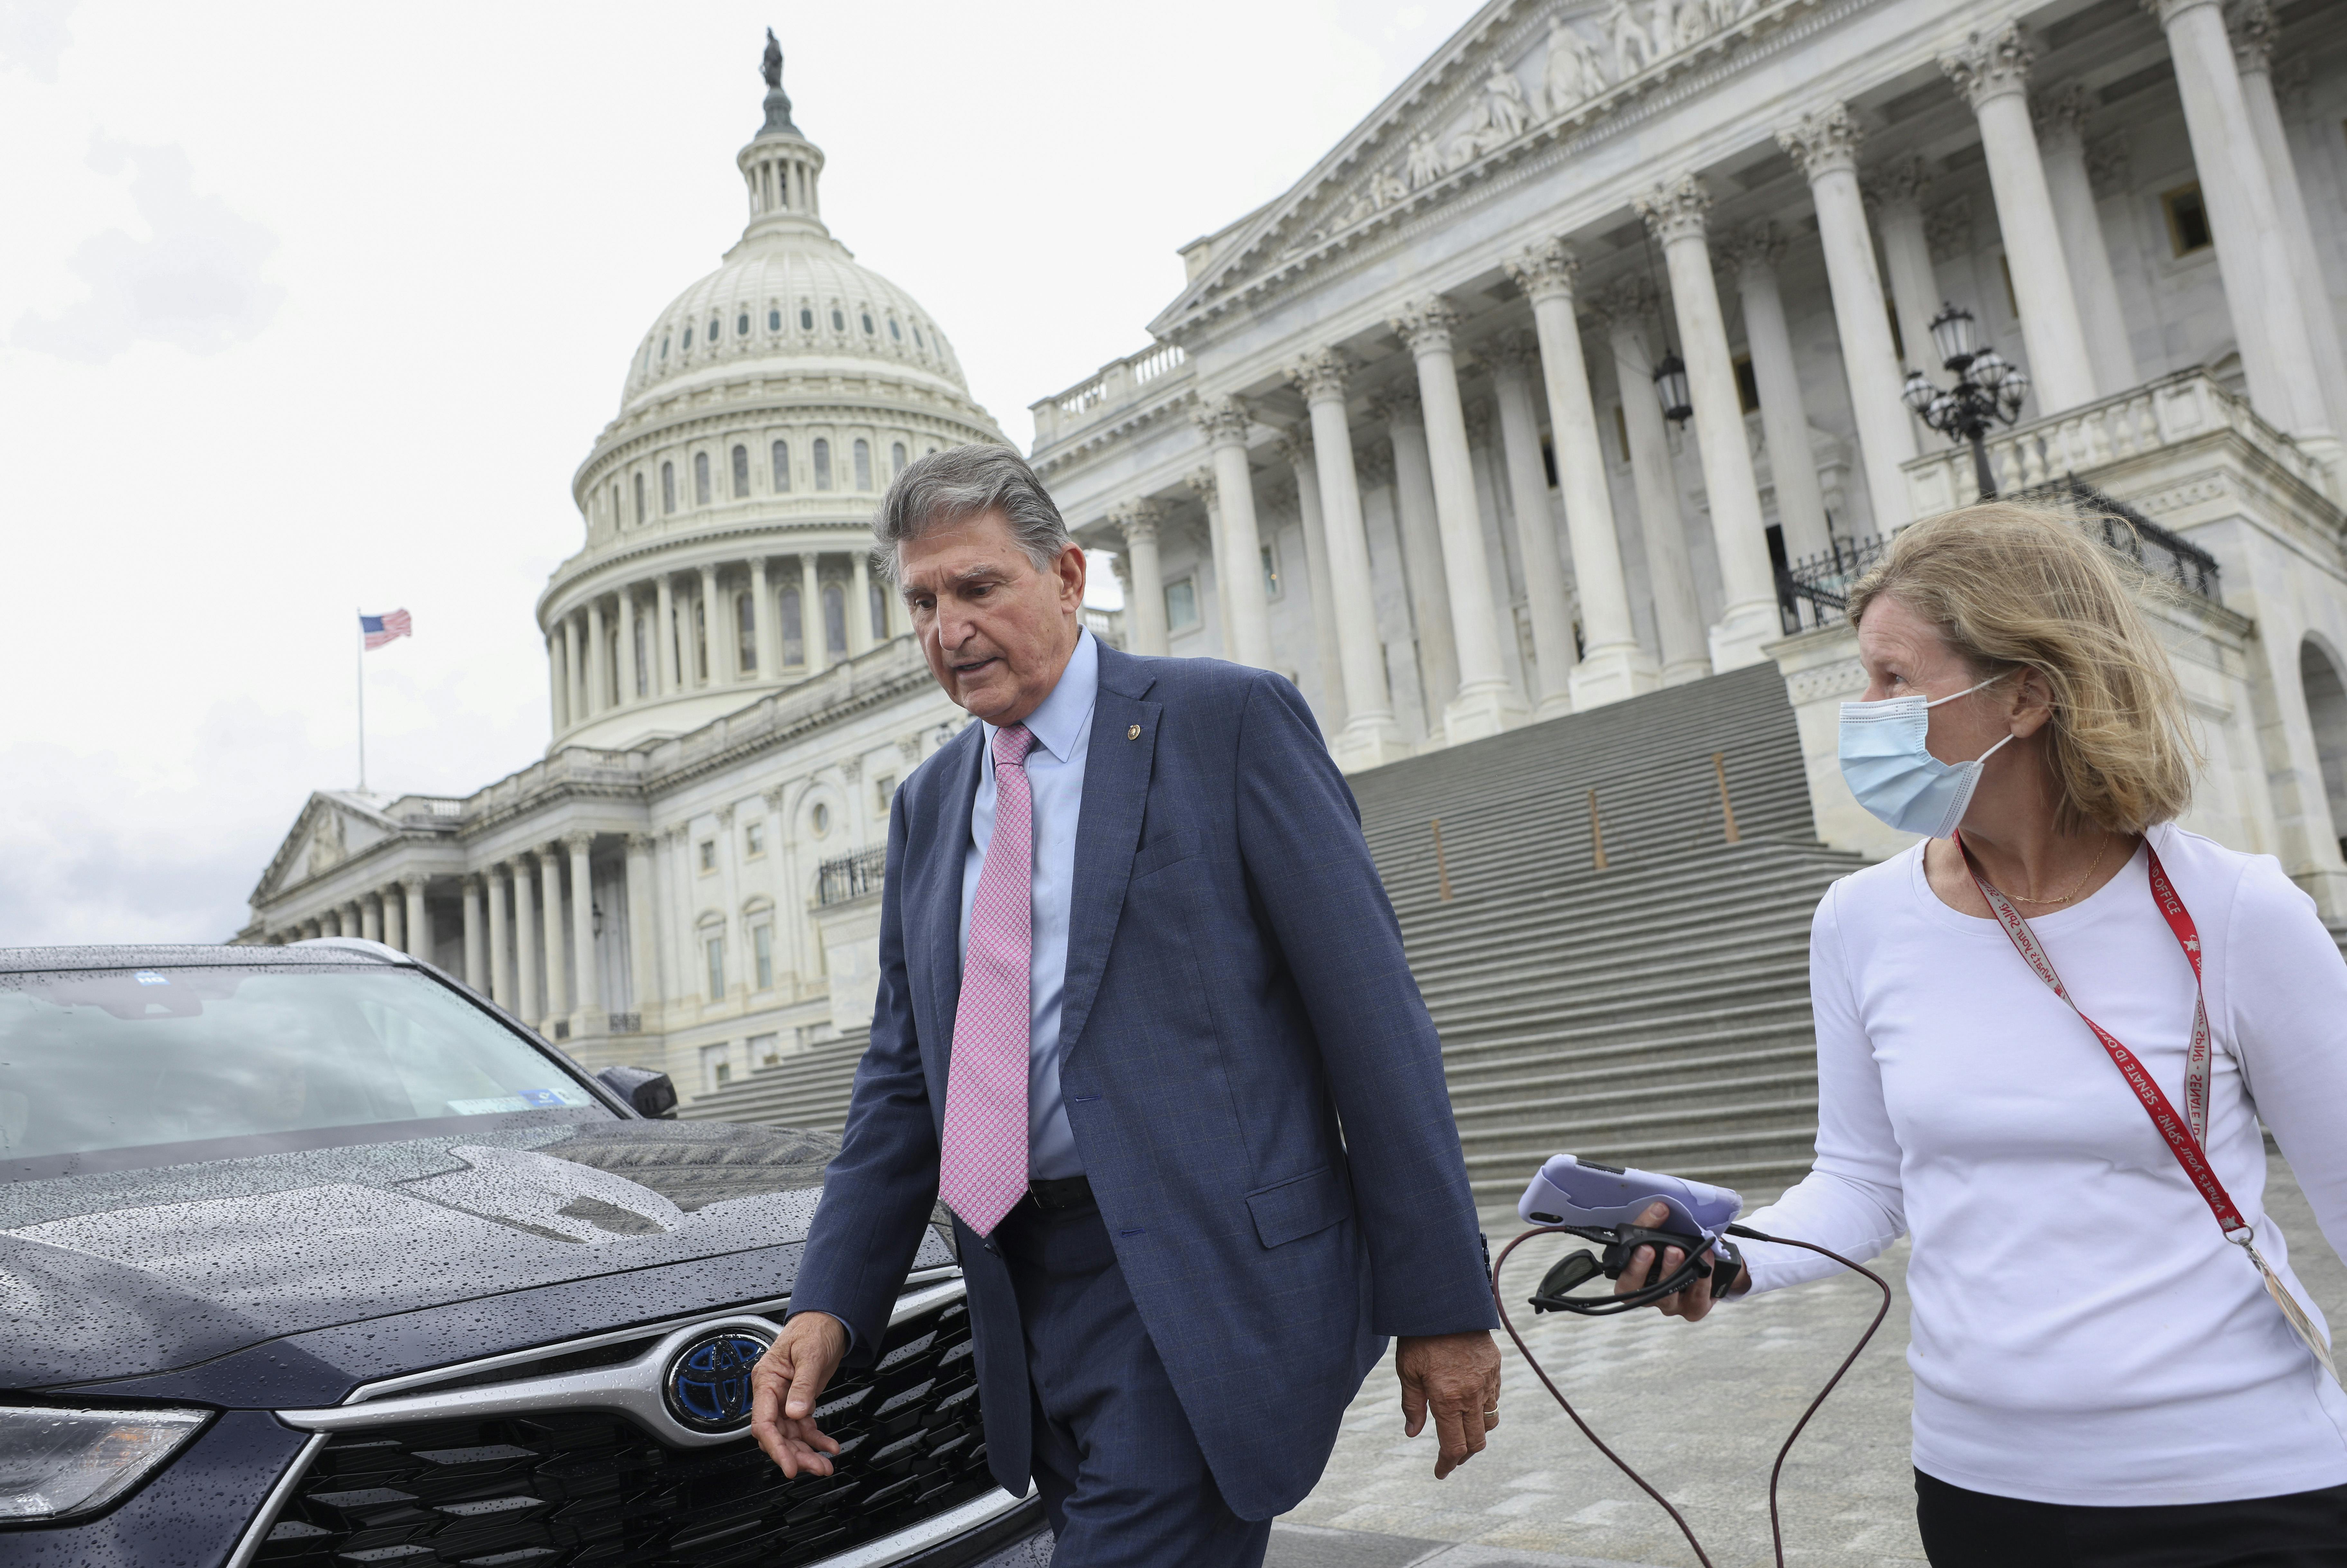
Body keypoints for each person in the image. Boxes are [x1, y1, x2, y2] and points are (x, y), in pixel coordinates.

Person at [748, 445, 1501, 1565]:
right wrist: (830, 1303)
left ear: (1066, 574)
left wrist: (1442, 1300)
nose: (947, 628)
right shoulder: (930, 803)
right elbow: (907, 1084)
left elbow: (1375, 1026)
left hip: (1194, 1279)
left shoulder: (1226, 722)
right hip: (1020, 1290)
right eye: (922, 600)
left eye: (977, 587)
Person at [1620, 501, 2347, 1565]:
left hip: (2243, 1488)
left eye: (1892, 677)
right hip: (1980, 1492)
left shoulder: (2239, 910)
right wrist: (1722, 1256)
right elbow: (1866, 1182)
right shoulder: (1858, 919)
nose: (1860, 710)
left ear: (2027, 693)